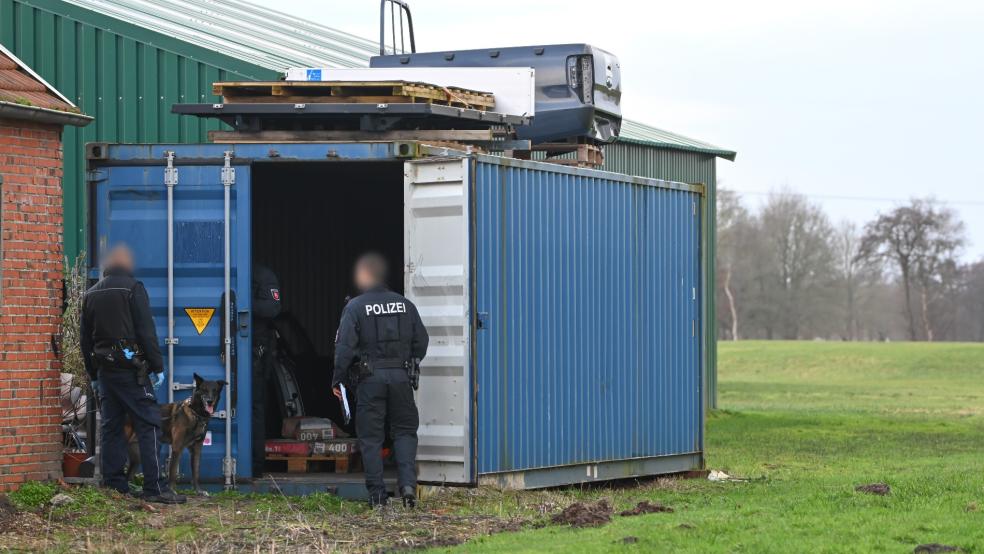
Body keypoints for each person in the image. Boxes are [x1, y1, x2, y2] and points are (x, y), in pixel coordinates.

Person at [81, 245, 185, 504]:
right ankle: (155, 487)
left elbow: (85, 340)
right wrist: (158, 366)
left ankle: (114, 484)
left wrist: (93, 373)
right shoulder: (133, 288)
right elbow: (145, 331)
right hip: (131, 371)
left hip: (105, 372)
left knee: (112, 426)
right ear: (126, 264)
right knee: (149, 422)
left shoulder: (91, 294)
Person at [332, 253, 428, 507]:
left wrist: (337, 380)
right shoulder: (405, 305)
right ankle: (407, 487)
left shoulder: (354, 307)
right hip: (400, 378)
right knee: (405, 432)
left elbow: (344, 349)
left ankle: (377, 496)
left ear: (365, 276)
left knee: (371, 438)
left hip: (369, 380)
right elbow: (422, 343)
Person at [251, 265, 283, 476]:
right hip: (236, 351)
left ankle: (255, 466)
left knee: (255, 407)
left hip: (257, 353)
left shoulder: (263, 275)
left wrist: (244, 300)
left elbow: (272, 308)